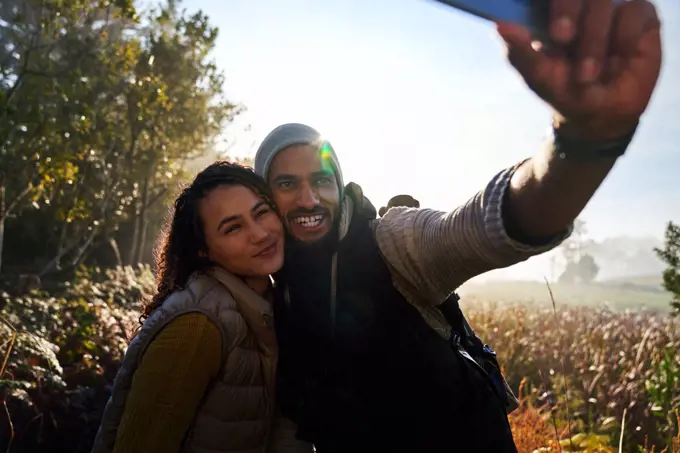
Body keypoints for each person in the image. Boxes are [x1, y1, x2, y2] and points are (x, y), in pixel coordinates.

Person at [253, 1, 663, 452]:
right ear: (265, 195)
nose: (309, 199)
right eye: (287, 183)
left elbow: (481, 229)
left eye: (321, 181)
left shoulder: (391, 242)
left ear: (340, 183)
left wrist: (584, 140)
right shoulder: (272, 281)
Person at [91, 162, 312, 453]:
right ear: (203, 250)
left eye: (261, 212)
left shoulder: (270, 306)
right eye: (233, 228)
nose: (259, 234)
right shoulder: (196, 326)